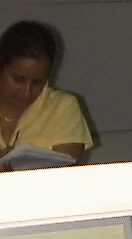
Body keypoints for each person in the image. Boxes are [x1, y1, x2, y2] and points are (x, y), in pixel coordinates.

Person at [0, 20, 93, 171]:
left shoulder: (62, 106)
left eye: (38, 82)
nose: (26, 92)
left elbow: (65, 172)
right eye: (18, 80)